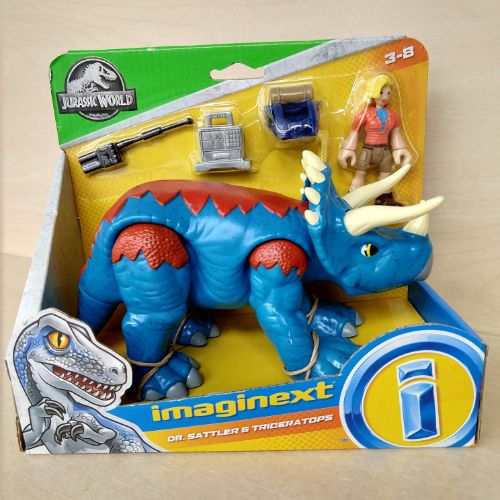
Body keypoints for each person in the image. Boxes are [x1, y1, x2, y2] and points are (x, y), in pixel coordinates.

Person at [338, 74, 413, 205]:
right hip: (368, 150)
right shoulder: (364, 114)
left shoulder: (393, 116)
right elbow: (355, 131)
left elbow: (396, 134)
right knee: (360, 173)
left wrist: (400, 149)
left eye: (388, 93)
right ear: (373, 93)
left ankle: (383, 199)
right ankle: (353, 199)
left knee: (386, 174)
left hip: (385, 151)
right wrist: (348, 149)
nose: (385, 97)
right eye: (381, 93)